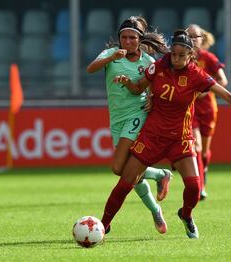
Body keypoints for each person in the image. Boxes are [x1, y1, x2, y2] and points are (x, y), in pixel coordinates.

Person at [100, 29, 231, 239]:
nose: (176, 59)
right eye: (173, 54)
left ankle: (186, 215)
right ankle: (103, 224)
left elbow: (225, 94)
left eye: (181, 55)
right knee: (126, 182)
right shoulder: (157, 67)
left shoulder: (196, 75)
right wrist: (129, 83)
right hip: (152, 136)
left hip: (180, 138)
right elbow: (139, 88)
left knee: (194, 186)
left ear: (190, 55)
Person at [86, 16, 172, 234]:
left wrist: (152, 97)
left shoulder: (149, 63)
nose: (127, 41)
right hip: (116, 118)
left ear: (140, 39)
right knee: (127, 171)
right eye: (124, 37)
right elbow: (91, 69)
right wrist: (111, 57)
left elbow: (156, 87)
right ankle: (158, 191)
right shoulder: (110, 55)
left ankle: (158, 184)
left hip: (138, 115)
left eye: (132, 37)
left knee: (118, 168)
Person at [186, 24, 228, 200]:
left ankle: (204, 170)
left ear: (202, 38)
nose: (192, 40)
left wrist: (207, 91)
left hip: (209, 109)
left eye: (195, 36)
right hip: (190, 109)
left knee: (203, 153)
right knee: (196, 147)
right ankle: (200, 188)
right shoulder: (180, 58)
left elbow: (223, 81)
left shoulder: (208, 58)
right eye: (189, 36)